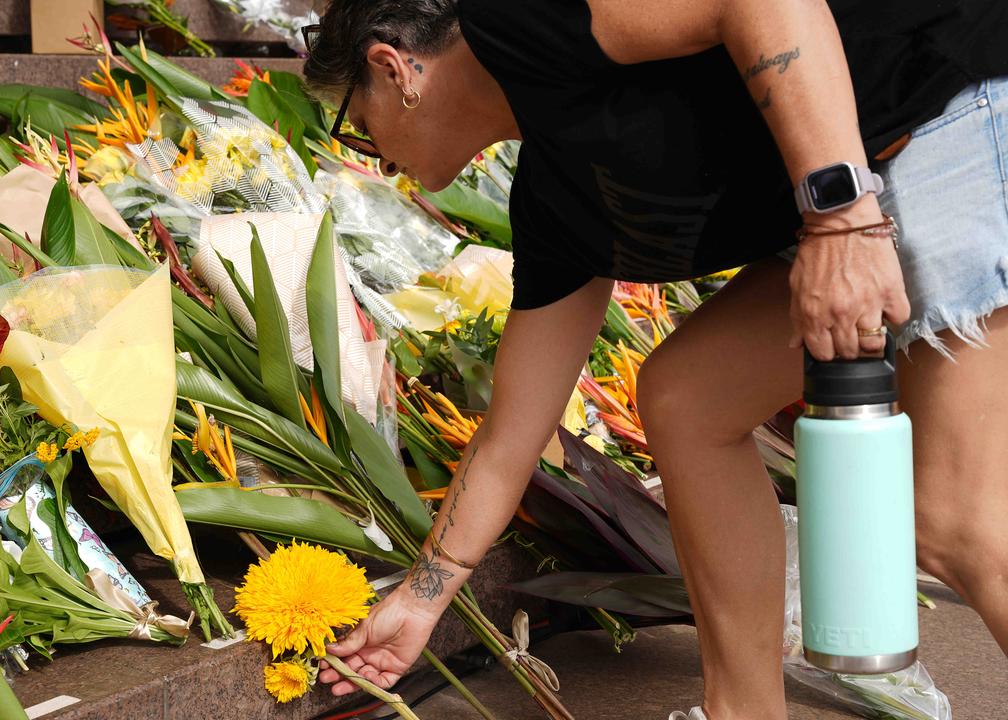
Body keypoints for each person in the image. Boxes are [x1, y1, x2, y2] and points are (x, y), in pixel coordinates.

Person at [300, 1, 1008, 718]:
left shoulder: (518, 20)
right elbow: (512, 433)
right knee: (688, 398)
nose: (374, 156)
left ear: (392, 68)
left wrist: (839, 217)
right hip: (869, 181)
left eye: (358, 126)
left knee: (958, 519)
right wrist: (422, 602)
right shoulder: (559, 202)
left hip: (945, 107)